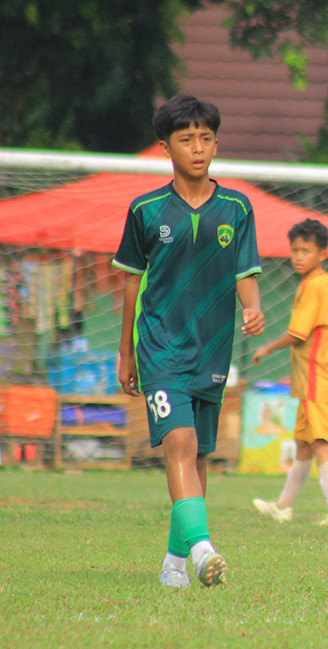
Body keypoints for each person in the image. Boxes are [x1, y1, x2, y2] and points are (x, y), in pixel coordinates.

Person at [114, 93, 266, 588]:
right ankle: (203, 551)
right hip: (160, 347)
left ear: (216, 144)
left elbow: (245, 272)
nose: (197, 148)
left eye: (205, 138)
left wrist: (253, 307)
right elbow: (131, 283)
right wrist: (125, 352)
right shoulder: (146, 210)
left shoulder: (237, 208)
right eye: (186, 139)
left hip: (213, 347)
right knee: (178, 443)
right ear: (166, 148)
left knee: (198, 454)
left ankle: (175, 563)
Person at [251, 219, 328, 527]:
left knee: (320, 441)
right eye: (295, 250)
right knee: (304, 443)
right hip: (322, 378)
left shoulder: (316, 286)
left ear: (322, 254)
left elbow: (298, 333)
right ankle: (283, 506)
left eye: (305, 251)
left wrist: (267, 348)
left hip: (318, 378)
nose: (298, 256)